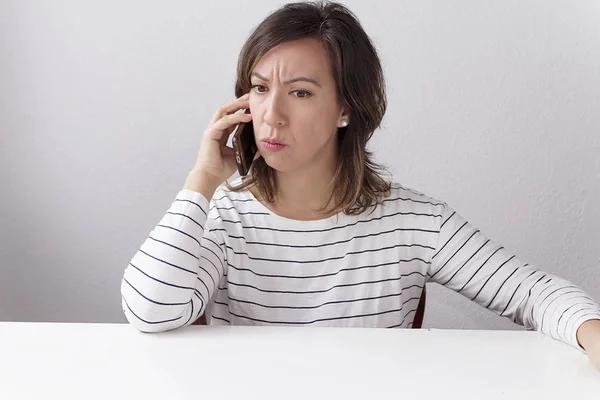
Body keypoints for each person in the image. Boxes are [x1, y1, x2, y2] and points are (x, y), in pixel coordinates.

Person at [120, 1, 600, 370]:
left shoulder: (414, 222)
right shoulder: (221, 216)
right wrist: (201, 180)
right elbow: (149, 311)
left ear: (346, 109)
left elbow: (533, 292)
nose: (272, 114)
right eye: (260, 88)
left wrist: (590, 332)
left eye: (301, 93)